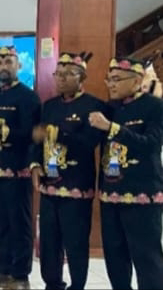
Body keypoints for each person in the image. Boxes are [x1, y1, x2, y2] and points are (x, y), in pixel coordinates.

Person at [29, 52, 108, 290]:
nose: (61, 79)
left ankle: (77, 285)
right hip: (49, 185)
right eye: (58, 74)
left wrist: (56, 134)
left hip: (76, 186)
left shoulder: (94, 106)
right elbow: (37, 140)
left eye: (68, 74)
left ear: (82, 77)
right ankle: (53, 284)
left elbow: (88, 143)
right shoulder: (49, 106)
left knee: (75, 243)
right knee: (49, 241)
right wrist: (35, 164)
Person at [89, 57, 163, 290]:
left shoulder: (154, 106)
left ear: (137, 81)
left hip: (142, 194)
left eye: (117, 79)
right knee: (115, 257)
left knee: (146, 257)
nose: (111, 84)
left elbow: (151, 144)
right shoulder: (109, 108)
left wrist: (112, 128)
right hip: (110, 194)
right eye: (109, 79)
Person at [0, 46, 40, 290]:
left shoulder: (28, 97)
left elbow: (32, 135)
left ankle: (21, 275)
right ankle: (2, 270)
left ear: (19, 65)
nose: (3, 66)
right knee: (2, 224)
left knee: (19, 224)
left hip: (18, 170)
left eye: (8, 61)